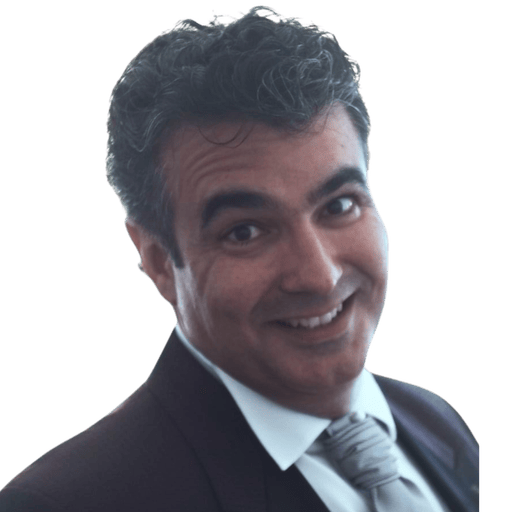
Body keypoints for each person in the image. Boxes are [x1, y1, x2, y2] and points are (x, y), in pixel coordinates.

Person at [0, 6, 479, 512]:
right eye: (245, 231)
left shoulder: (435, 419)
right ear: (159, 261)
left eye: (339, 206)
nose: (319, 276)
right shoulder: (67, 503)